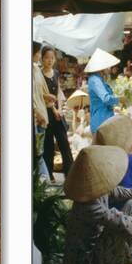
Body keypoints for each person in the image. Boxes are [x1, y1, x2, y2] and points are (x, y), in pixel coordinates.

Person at [40, 46, 73, 181]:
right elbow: (41, 95)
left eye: (52, 58)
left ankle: (70, 173)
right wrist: (54, 110)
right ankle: (49, 175)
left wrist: (61, 109)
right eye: (47, 58)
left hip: (58, 113)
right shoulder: (39, 75)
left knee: (64, 142)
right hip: (46, 113)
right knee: (48, 145)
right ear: (42, 58)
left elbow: (58, 92)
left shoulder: (56, 73)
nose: (49, 60)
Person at [84, 48, 123, 135]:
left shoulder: (100, 79)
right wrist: (119, 99)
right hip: (101, 121)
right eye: (107, 65)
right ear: (101, 67)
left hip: (105, 121)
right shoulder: (95, 80)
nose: (109, 68)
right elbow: (106, 99)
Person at [32, 41, 50, 179]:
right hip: (35, 118)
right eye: (38, 53)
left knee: (39, 152)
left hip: (41, 117)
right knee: (38, 154)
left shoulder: (36, 69)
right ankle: (45, 182)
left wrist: (48, 96)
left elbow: (40, 92)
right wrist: (37, 112)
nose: (39, 55)